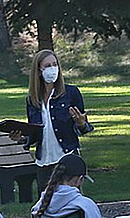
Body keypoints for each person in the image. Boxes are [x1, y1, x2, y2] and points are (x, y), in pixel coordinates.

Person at [9, 49, 93, 189]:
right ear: (39, 70)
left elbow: (84, 128)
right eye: (47, 66)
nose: (52, 69)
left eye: (54, 65)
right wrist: (22, 138)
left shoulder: (71, 93)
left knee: (70, 203)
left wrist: (81, 123)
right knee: (46, 204)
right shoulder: (32, 99)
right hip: (44, 162)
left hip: (66, 158)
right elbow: (36, 133)